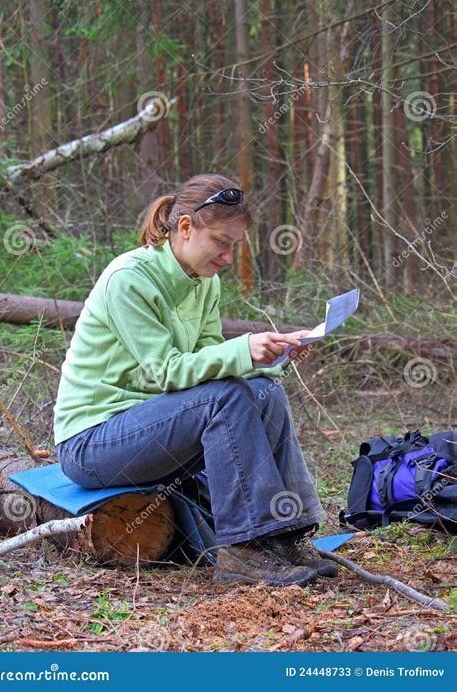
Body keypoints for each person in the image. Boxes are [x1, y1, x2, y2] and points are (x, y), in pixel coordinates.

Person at [54, 173, 337, 586]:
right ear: (185, 227)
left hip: (151, 427)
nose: (226, 256)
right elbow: (165, 370)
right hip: (92, 443)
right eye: (221, 242)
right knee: (224, 398)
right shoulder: (129, 279)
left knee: (262, 393)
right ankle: (242, 552)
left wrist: (278, 354)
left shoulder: (205, 283)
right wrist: (243, 348)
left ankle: (284, 537)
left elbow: (207, 361)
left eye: (233, 245)